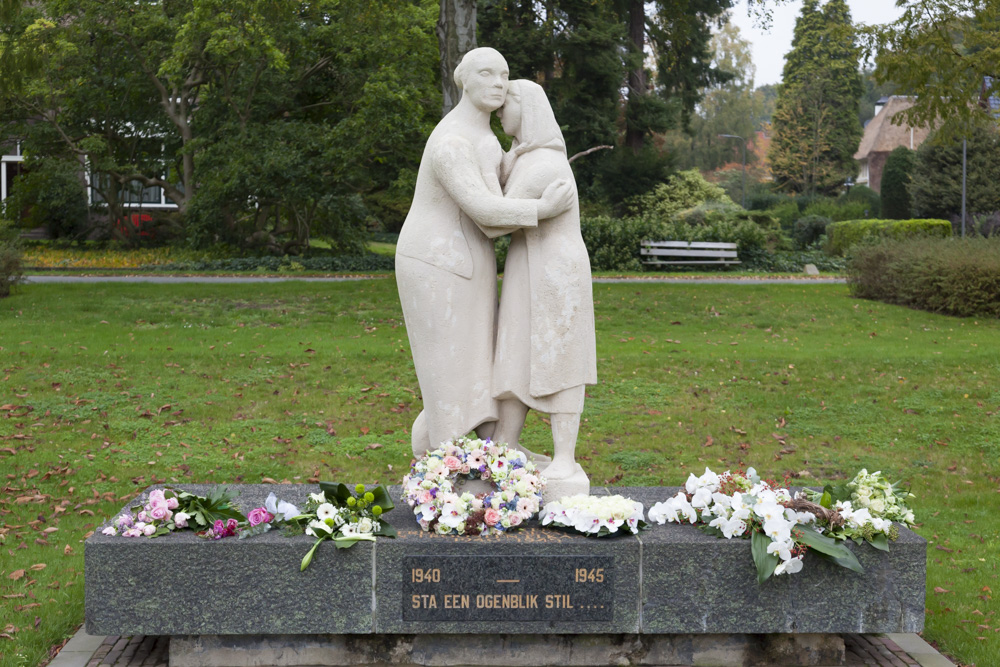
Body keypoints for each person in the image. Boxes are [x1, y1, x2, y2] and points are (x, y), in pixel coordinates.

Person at [395, 49, 575, 458]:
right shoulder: (452, 140)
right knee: (449, 366)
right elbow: (488, 216)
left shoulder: (487, 139)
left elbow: (496, 198)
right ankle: (450, 466)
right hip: (434, 264)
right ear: (464, 80)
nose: (498, 82)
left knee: (478, 366)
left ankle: (484, 453)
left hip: (470, 263)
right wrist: (543, 209)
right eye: (486, 73)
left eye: (504, 75)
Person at [491, 79, 597, 481]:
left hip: (555, 271)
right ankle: (506, 443)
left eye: (506, 106)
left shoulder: (545, 164)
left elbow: (495, 216)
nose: (500, 113)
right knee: (516, 353)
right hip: (527, 264)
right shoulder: (524, 158)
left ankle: (564, 458)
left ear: (527, 107)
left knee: (562, 359)